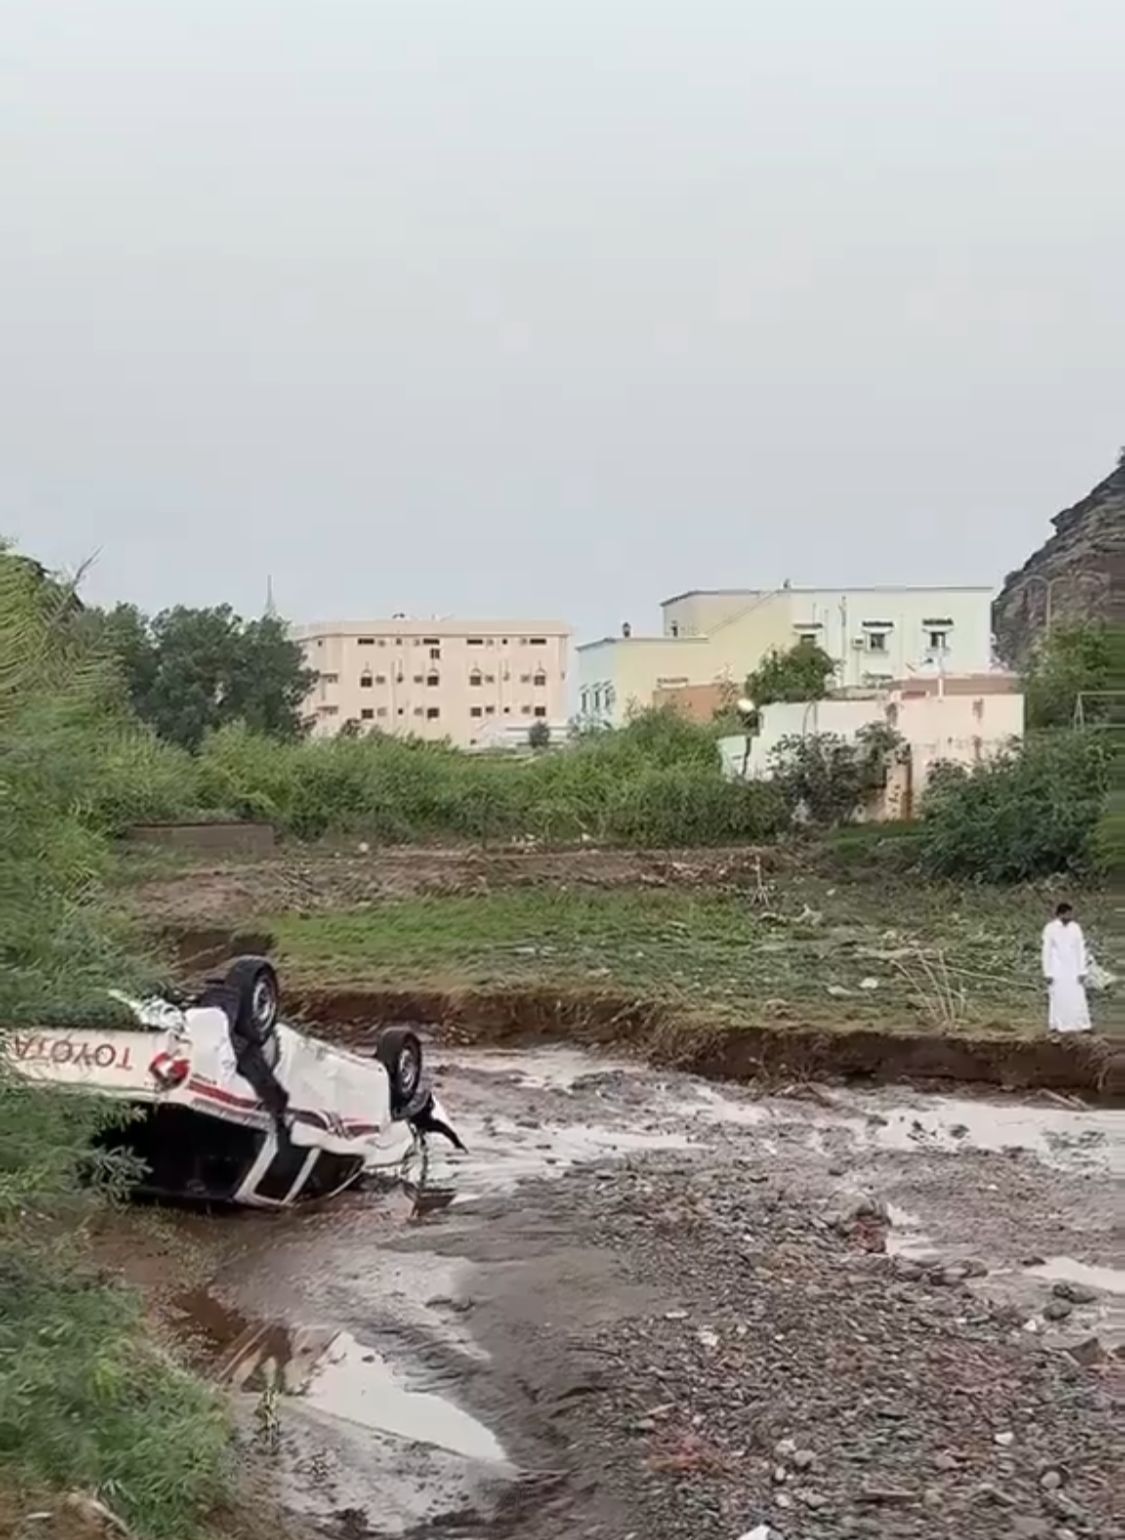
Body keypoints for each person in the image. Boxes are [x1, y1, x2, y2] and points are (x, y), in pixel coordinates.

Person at [1041, 902, 1091, 1033]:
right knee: (1059, 996)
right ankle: (1058, 1025)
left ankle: (1081, 1024)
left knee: (1077, 996)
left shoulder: (1075, 928)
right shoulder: (1050, 928)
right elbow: (1046, 951)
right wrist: (1047, 972)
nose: (1070, 916)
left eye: (1071, 914)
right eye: (1067, 914)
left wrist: (1082, 970)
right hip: (1057, 968)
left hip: (1074, 968)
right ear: (1060, 914)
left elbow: (1080, 949)